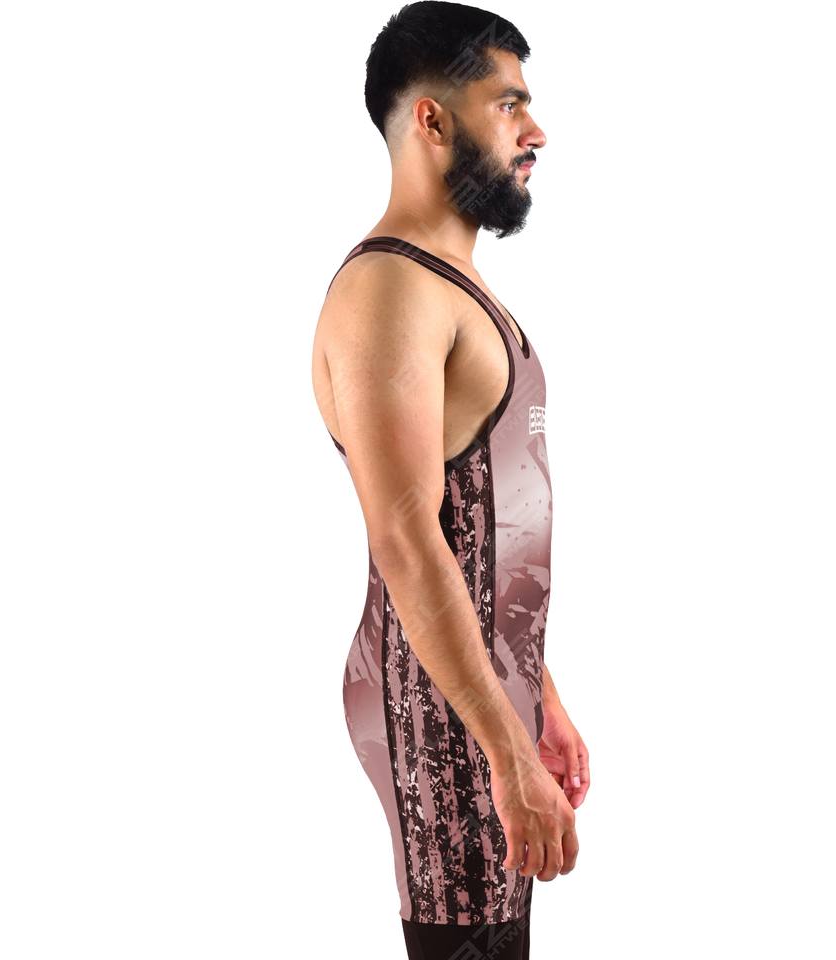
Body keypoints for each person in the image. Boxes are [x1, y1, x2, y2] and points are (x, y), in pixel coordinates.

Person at [311, 3, 590, 956]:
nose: (534, 131)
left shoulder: (445, 282)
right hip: (441, 711)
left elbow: (487, 526)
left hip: (479, 698)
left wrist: (538, 694)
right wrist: (503, 747)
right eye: (508, 104)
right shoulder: (390, 290)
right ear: (432, 120)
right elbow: (407, 536)